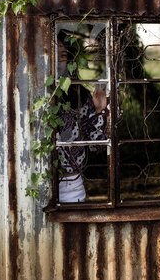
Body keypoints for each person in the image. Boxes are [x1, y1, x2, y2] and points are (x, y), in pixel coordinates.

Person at [55, 32, 108, 203]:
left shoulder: (79, 95)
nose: (57, 62)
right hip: (34, 186)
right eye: (51, 54)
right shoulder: (32, 94)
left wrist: (99, 111)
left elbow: (96, 146)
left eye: (62, 56)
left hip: (71, 190)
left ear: (69, 60)